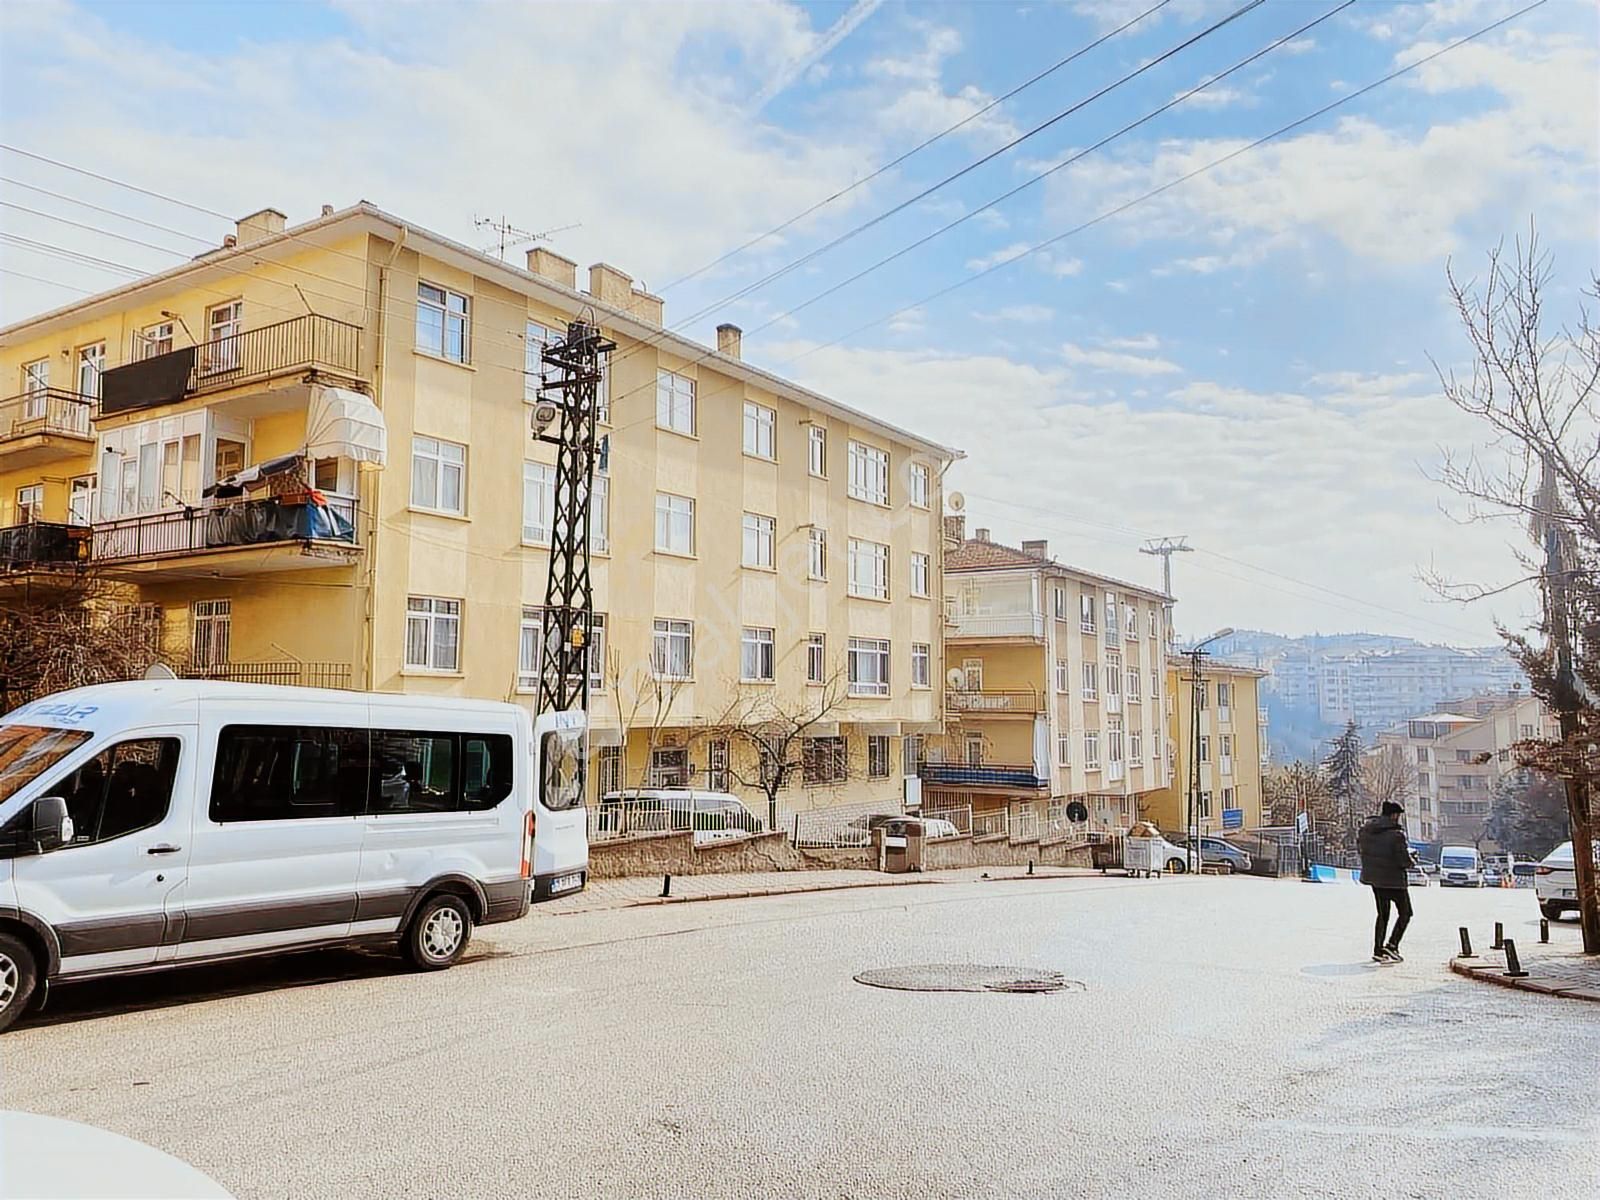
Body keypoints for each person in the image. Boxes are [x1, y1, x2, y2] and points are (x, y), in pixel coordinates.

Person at [1357, 800, 1415, 963]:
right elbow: (1403, 860)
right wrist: (1412, 861)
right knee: (1406, 913)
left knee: (1383, 915)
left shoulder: (1366, 831)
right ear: (1394, 815)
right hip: (1394, 881)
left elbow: (1361, 851)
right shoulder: (1396, 835)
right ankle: (1392, 945)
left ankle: (1378, 950)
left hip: (1375, 880)